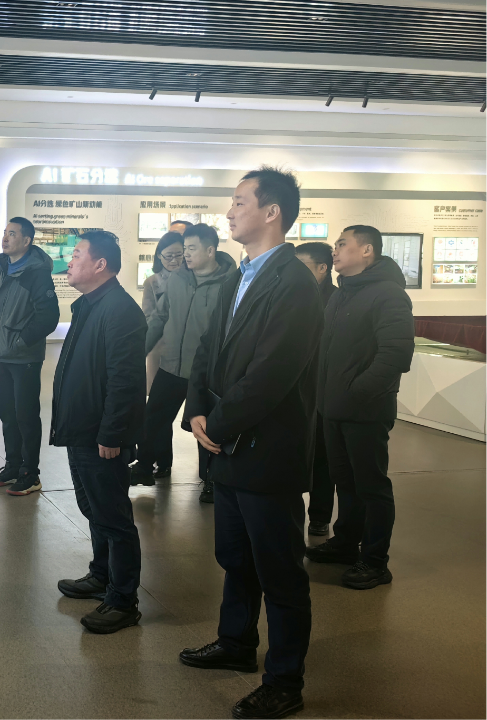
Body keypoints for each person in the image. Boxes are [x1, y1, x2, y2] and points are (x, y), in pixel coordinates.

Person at [178, 167, 323, 720]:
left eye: (240, 202)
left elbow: (271, 374)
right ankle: (236, 642)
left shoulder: (294, 284)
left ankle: (285, 680)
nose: (229, 211)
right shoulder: (238, 276)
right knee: (236, 557)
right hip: (228, 444)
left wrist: (217, 424)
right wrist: (196, 408)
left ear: (271, 212)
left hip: (266, 450)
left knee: (280, 571)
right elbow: (207, 350)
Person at [305, 226, 414, 591]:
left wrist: (356, 393)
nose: (334, 251)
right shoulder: (342, 294)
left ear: (367, 250)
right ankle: (346, 543)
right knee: (345, 483)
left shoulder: (389, 294)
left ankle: (375, 560)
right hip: (333, 409)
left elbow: (395, 355)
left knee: (371, 486)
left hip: (364, 411)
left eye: (342, 244)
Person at [51, 231, 148, 634]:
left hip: (100, 436)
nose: (69, 262)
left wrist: (112, 434)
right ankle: (102, 574)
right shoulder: (90, 305)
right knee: (95, 510)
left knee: (113, 517)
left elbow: (125, 381)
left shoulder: (120, 311)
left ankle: (123, 600)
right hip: (82, 430)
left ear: (100, 264)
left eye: (76, 255)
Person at [134, 224, 237, 496]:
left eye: (191, 249)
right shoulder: (177, 279)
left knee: (206, 428)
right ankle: (143, 467)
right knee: (153, 418)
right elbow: (160, 317)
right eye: (184, 249)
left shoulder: (230, 284)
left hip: (205, 373)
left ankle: (210, 480)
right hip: (171, 366)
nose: (185, 255)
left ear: (210, 251)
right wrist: (139, 351)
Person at [0, 216, 59, 496]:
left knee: (26, 416)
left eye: (12, 234)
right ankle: (13, 466)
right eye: (5, 232)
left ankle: (30, 473)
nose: (5, 238)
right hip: (0, 356)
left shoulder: (37, 273)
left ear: (27, 240)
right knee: (8, 415)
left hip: (23, 358)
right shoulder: (3, 267)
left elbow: (49, 317)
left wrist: (20, 341)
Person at [295, 242, 338, 536]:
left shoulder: (337, 301)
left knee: (322, 459)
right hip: (293, 391)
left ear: (323, 268)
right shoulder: (291, 297)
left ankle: (320, 517)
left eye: (302, 266)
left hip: (323, 392)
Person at [142, 232, 185, 393]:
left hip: (186, 346)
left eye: (179, 255)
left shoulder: (192, 279)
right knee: (157, 395)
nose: (174, 260)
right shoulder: (151, 282)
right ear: (159, 256)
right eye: (168, 256)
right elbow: (148, 316)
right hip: (160, 345)